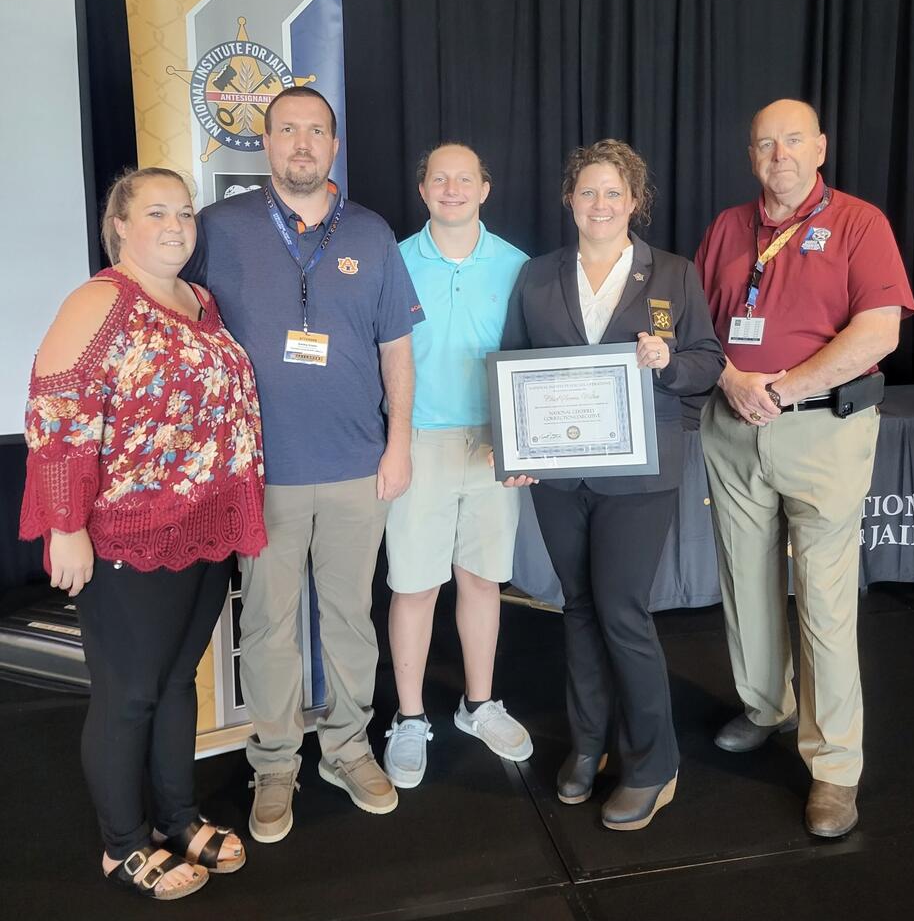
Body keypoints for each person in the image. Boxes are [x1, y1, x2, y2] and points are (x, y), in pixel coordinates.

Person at [19, 167, 267, 900]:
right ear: (119, 225)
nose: (175, 225)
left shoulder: (198, 299)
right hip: (127, 534)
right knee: (129, 694)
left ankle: (178, 816)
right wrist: (66, 527)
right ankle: (123, 844)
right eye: (155, 212)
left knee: (173, 684)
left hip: (200, 528)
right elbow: (57, 414)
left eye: (185, 213)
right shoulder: (100, 299)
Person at [184, 86, 421, 838]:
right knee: (270, 627)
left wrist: (400, 443)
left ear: (334, 143)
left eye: (316, 130)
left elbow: (397, 349)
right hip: (263, 473)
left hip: (358, 466)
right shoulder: (219, 229)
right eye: (288, 129)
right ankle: (276, 763)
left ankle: (348, 747)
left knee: (351, 618)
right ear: (266, 142)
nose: (302, 143)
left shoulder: (374, 234)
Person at [696, 99, 914, 838]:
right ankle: (767, 705)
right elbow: (698, 328)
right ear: (750, 154)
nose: (779, 154)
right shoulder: (728, 228)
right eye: (765, 143)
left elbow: (878, 331)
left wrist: (784, 388)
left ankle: (834, 768)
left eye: (793, 140)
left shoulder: (860, 224)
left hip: (820, 432)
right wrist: (731, 378)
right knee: (745, 579)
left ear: (820, 146)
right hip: (731, 428)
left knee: (823, 601)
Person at [501, 139, 725, 829]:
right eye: (588, 191)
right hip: (560, 476)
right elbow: (513, 362)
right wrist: (516, 447)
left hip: (640, 474)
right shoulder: (536, 277)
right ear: (570, 200)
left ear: (635, 202)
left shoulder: (674, 276)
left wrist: (667, 361)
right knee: (577, 608)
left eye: (614, 192)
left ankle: (654, 765)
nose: (601, 204)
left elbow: (708, 361)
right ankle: (589, 742)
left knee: (623, 612)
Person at [382, 143, 532, 788]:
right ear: (422, 191)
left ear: (485, 188)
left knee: (481, 580)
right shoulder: (391, 262)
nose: (451, 188)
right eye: (439, 179)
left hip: (494, 444)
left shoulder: (518, 266)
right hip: (415, 440)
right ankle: (410, 719)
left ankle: (479, 704)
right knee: (414, 585)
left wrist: (528, 442)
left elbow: (533, 357)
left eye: (463, 178)